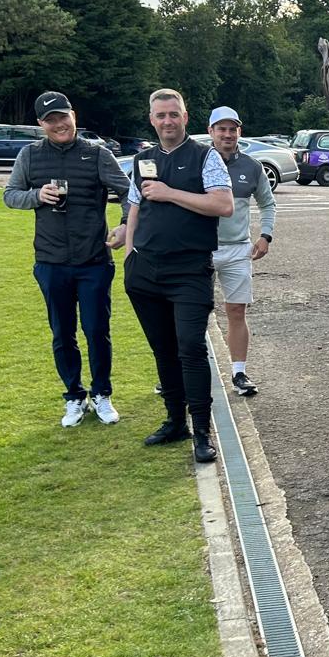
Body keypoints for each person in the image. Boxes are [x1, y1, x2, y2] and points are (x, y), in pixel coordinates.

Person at [4, 90, 131, 427]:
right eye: (51, 120)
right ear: (40, 123)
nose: (59, 124)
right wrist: (36, 195)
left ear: (73, 116)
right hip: (50, 261)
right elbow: (10, 195)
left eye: (63, 117)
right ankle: (74, 396)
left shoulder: (97, 153)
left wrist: (124, 225)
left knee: (96, 330)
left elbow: (128, 192)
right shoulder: (30, 155)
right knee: (62, 333)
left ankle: (102, 393)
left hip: (94, 260)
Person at [124, 89, 234, 462]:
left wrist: (171, 193)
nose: (167, 121)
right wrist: (129, 256)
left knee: (190, 347)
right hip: (145, 271)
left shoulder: (205, 156)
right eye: (161, 115)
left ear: (185, 117)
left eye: (174, 114)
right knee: (163, 349)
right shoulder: (142, 159)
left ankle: (201, 431)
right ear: (152, 119)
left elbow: (223, 204)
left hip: (189, 269)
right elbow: (135, 208)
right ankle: (175, 421)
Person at [208, 106, 276, 398]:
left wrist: (265, 236)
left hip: (238, 248)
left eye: (232, 129)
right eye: (221, 129)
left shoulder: (252, 166)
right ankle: (184, 371)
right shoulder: (200, 162)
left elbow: (267, 203)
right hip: (201, 249)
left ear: (239, 132)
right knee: (192, 313)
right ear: (211, 132)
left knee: (236, 310)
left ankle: (238, 372)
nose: (227, 134)